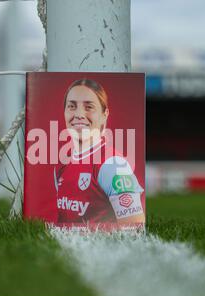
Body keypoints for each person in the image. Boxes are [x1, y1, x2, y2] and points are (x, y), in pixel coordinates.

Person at [54, 79, 145, 225]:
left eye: (88, 107)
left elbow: (134, 228)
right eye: (71, 106)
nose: (79, 114)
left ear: (104, 114)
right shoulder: (61, 163)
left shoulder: (113, 165)